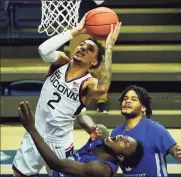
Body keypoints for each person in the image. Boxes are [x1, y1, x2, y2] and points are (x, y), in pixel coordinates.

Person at [12, 12, 121, 177]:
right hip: (35, 131)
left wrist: (109, 48)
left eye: (89, 49)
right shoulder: (61, 62)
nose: (82, 48)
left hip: (60, 143)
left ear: (94, 62)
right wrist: (75, 31)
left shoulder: (88, 82)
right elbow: (43, 50)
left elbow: (104, 87)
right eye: (81, 44)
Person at [18, 101, 144, 177]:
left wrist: (32, 129)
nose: (122, 137)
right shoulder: (103, 135)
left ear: (120, 157)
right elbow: (82, 117)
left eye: (125, 142)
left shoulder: (100, 169)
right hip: (59, 168)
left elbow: (55, 163)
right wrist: (91, 128)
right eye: (125, 136)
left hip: (58, 166)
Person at [111, 85, 181, 177]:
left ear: (143, 108)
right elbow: (113, 166)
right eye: (125, 99)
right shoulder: (116, 133)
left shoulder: (155, 129)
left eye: (134, 99)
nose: (127, 101)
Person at [70, 0, 108, 113]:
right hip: (79, 25)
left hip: (99, 25)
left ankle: (101, 101)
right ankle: (77, 99)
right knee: (77, 64)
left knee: (100, 65)